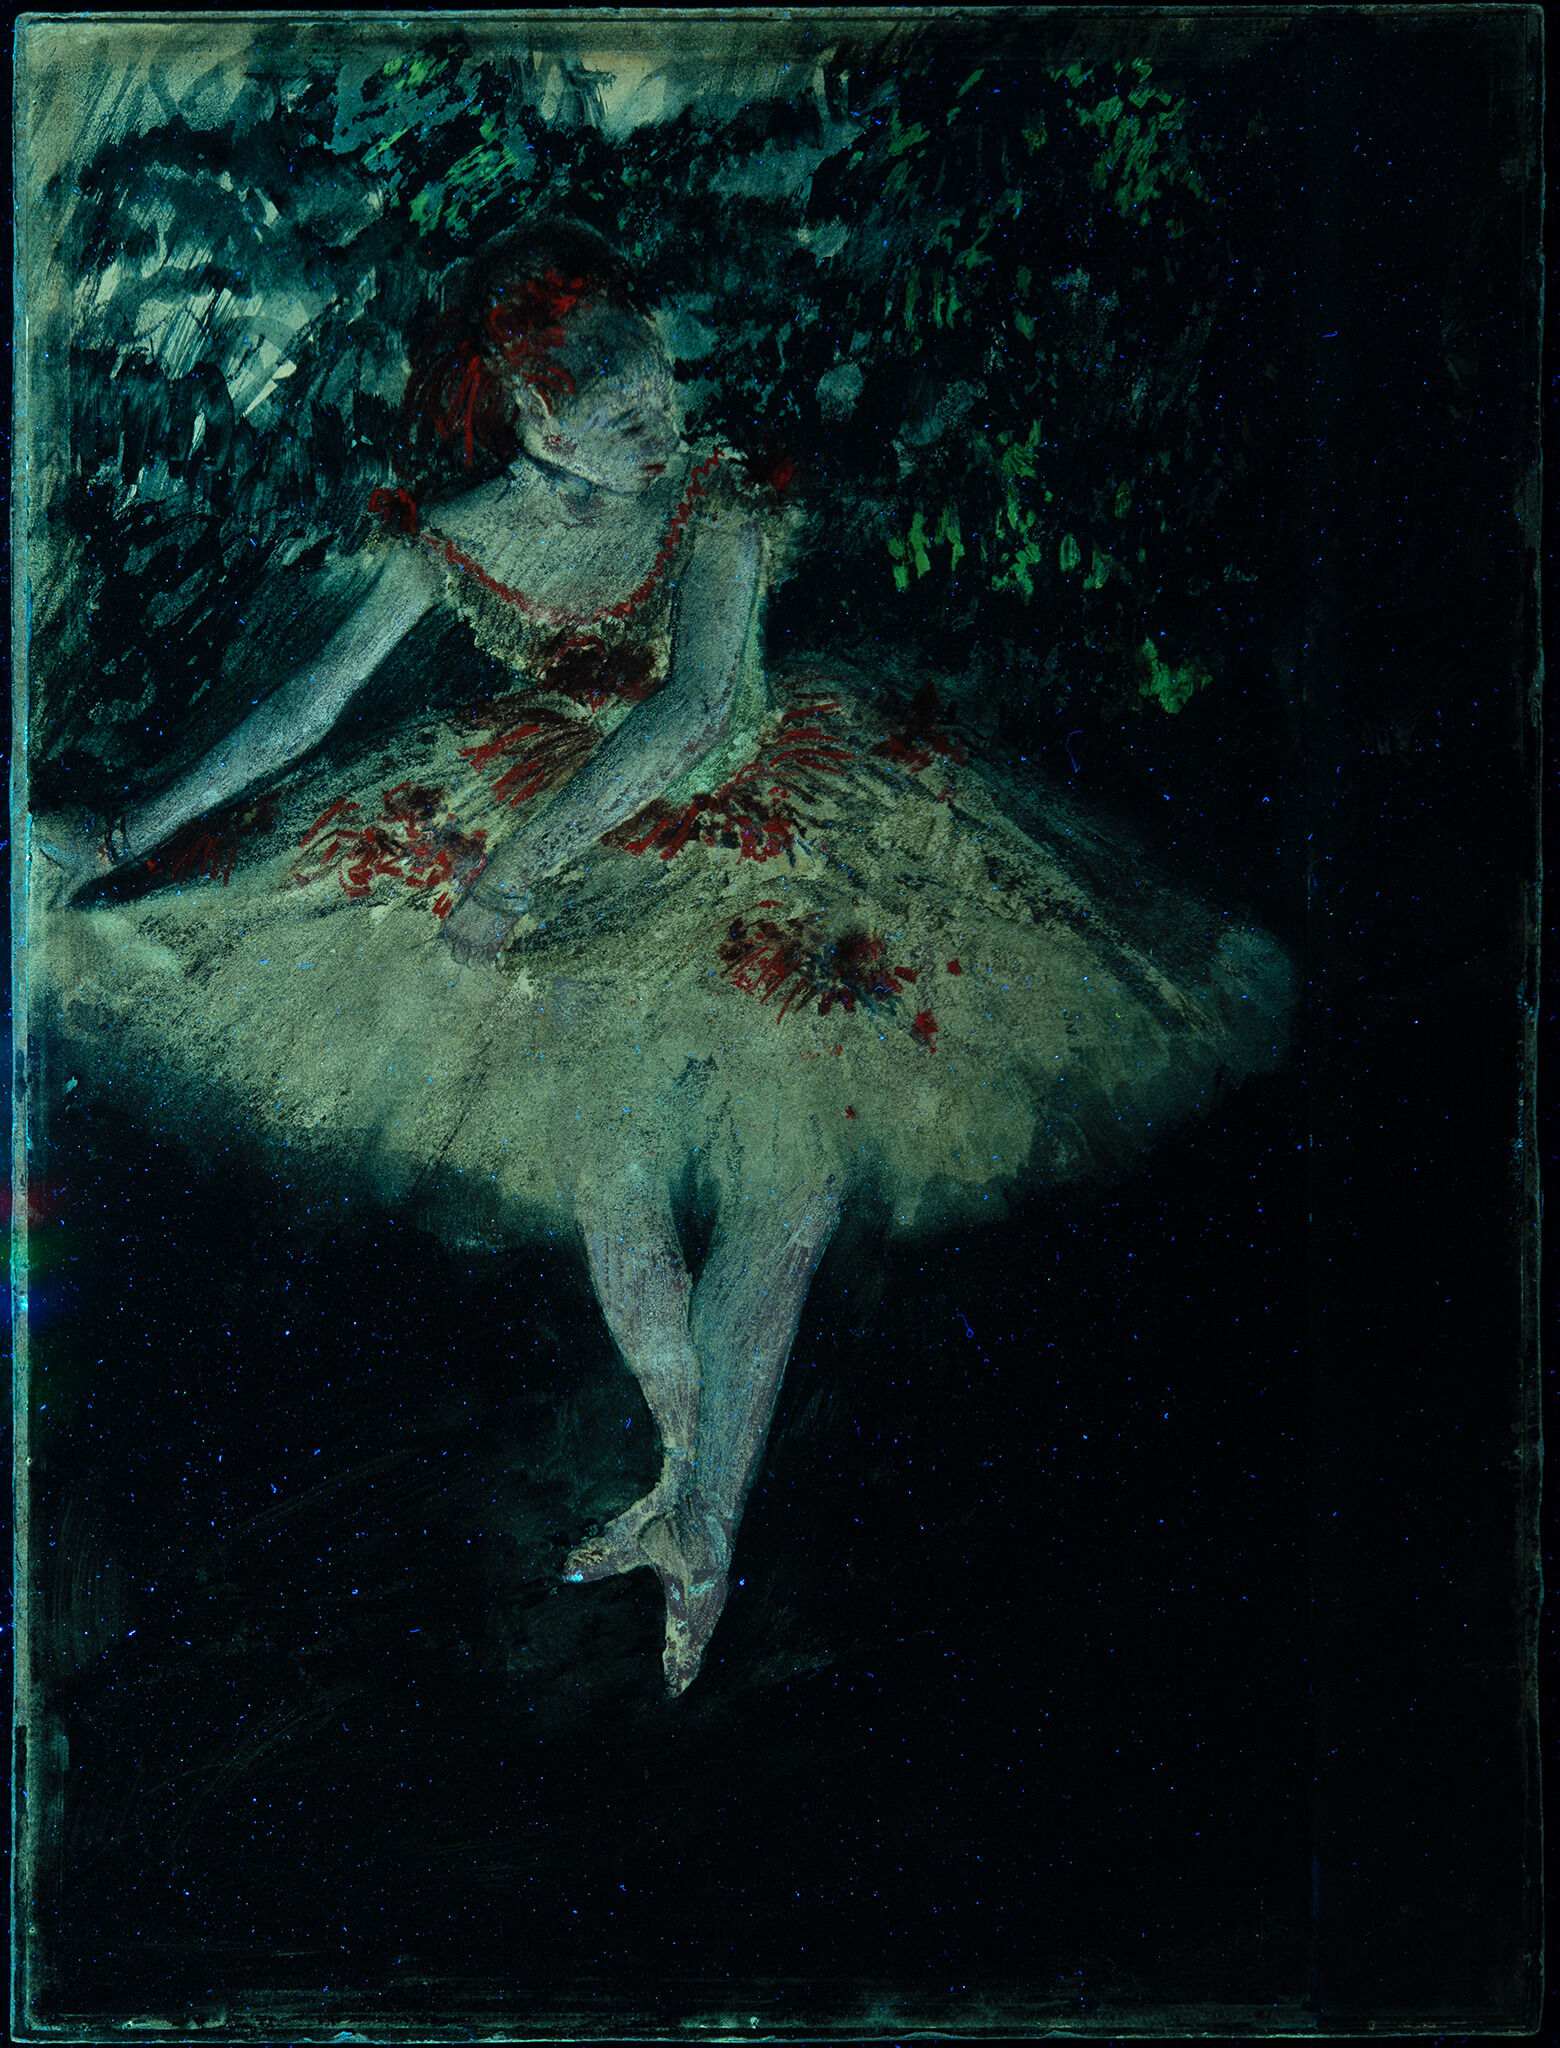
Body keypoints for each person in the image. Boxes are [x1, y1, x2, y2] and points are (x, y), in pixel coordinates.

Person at [33, 221, 1294, 1696]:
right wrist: (125, 829)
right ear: (530, 411)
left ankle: (704, 1519)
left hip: (759, 826)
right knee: (614, 1165)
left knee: (792, 1182)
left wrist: (510, 878)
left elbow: (695, 710)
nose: (652, 411)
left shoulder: (717, 498)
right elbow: (312, 706)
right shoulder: (457, 535)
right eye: (604, 393)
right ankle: (688, 1486)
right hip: (563, 839)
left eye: (653, 374)